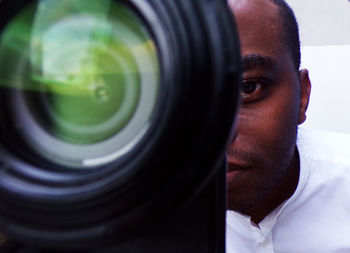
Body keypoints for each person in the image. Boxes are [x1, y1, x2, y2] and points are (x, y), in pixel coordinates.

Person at [226, 0, 350, 252]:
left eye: (247, 87)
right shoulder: (136, 212)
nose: (217, 132)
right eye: (186, 95)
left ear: (303, 95)